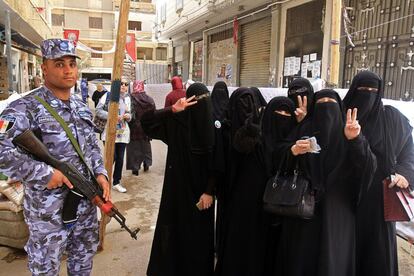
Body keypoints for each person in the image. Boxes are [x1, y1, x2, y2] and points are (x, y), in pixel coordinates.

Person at [0, 38, 109, 275]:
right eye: (59, 64)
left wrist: (101, 174)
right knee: (46, 267)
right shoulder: (24, 107)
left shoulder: (80, 106)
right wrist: (44, 173)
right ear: (44, 68)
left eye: (72, 63)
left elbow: (92, 147)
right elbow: (2, 149)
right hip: (47, 212)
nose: (68, 70)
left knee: (83, 263)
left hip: (85, 203)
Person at [275, 89, 376, 276]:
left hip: (338, 216)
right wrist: (294, 152)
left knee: (333, 263)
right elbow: (278, 158)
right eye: (321, 103)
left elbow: (368, 168)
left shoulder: (348, 135)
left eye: (331, 102)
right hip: (303, 213)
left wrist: (356, 140)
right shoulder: (302, 131)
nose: (326, 107)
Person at [343, 71, 414, 276]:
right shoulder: (341, 114)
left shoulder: (392, 118)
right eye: (363, 90)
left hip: (380, 198)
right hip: (347, 196)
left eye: (373, 91)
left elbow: (408, 153)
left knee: (377, 255)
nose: (368, 95)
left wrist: (404, 174)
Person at [142, 82, 215, 276]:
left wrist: (210, 190)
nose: (201, 104)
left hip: (202, 194)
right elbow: (146, 122)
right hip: (176, 190)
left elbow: (218, 164)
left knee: (199, 237)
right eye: (195, 100)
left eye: (204, 99)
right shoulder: (177, 124)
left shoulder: (214, 125)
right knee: (176, 231)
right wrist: (171, 110)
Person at [215, 87, 269, 276]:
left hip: (252, 194)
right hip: (229, 190)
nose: (245, 108)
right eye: (241, 104)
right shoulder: (224, 128)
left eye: (249, 103)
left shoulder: (260, 130)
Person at [96, 77, 131, 193]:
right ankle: (103, 180)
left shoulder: (128, 98)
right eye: (121, 83)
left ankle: (116, 182)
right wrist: (111, 116)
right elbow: (98, 111)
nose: (124, 86)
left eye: (126, 84)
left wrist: (128, 116)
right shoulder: (107, 96)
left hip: (123, 133)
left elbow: (131, 115)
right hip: (109, 132)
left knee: (120, 158)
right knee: (111, 157)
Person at [210, 81, 231, 254]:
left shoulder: (208, 113)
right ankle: (220, 244)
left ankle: (213, 244)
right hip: (227, 170)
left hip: (211, 168)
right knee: (224, 210)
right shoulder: (231, 114)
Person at [126, 80, 155, 176]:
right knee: (146, 147)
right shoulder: (149, 99)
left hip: (133, 128)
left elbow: (127, 112)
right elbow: (154, 114)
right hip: (146, 128)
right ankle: (147, 164)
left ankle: (135, 168)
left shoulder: (130, 98)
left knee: (134, 148)